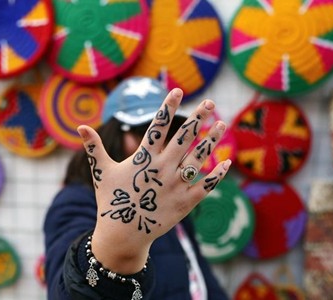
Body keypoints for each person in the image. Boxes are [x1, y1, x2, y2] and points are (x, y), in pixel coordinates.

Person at [44, 77, 231, 300]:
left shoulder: (166, 197)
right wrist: (113, 253)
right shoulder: (75, 201)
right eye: (142, 131)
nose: (155, 144)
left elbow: (196, 272)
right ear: (112, 134)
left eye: (168, 132)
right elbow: (63, 290)